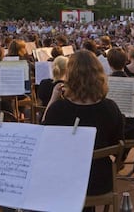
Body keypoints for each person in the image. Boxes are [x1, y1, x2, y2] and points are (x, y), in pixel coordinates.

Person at [42, 50, 125, 202]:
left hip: (65, 180)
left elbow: (45, 140)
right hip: (100, 181)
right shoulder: (111, 108)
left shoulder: (58, 109)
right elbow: (119, 145)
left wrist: (54, 98)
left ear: (70, 76)